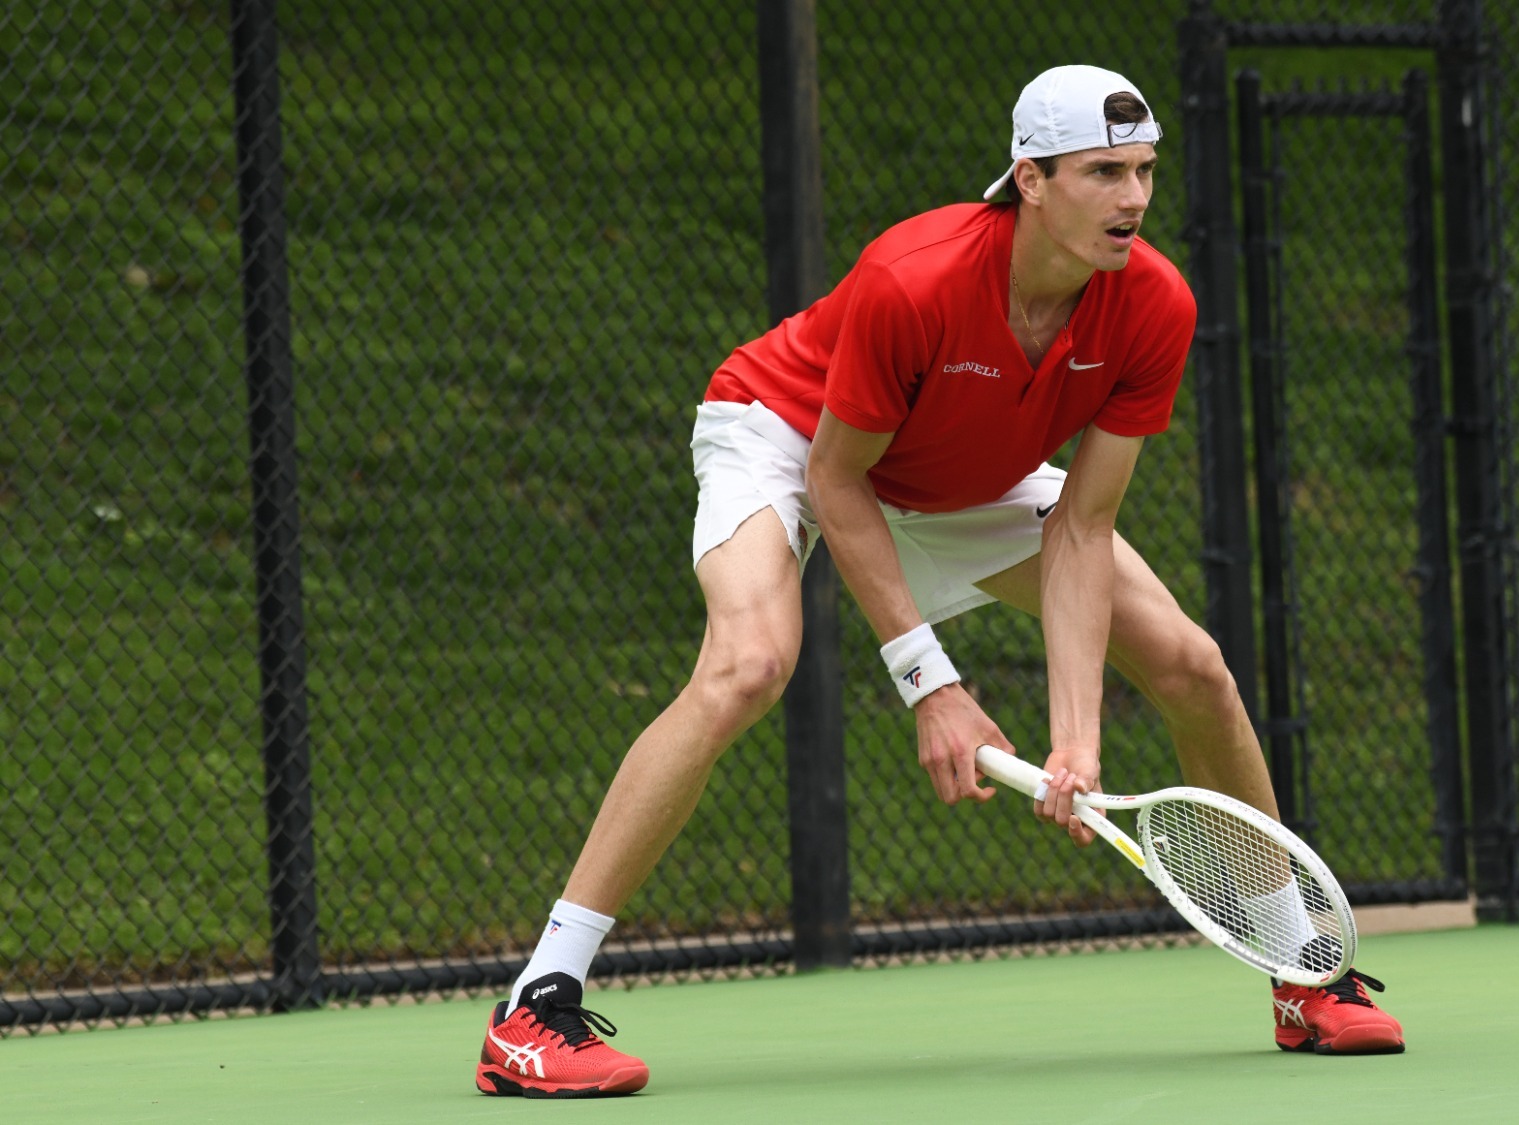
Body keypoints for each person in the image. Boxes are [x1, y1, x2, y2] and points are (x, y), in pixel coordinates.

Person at [473, 64, 1404, 1099]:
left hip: (965, 475)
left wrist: (1075, 735)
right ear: (1031, 180)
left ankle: (1301, 977)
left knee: (1193, 667)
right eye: (1103, 172)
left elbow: (1082, 531)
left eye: (1143, 170)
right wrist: (934, 685)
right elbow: (835, 477)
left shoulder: (1151, 306)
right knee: (746, 665)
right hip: (789, 435)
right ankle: (533, 1008)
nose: (1133, 198)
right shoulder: (913, 278)